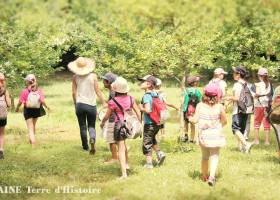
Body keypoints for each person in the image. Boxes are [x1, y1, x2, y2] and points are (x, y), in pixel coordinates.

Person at [100, 77, 141, 179]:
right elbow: (138, 111)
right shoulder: (131, 98)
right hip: (129, 125)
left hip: (119, 126)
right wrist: (139, 123)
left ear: (115, 89)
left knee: (121, 149)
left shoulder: (113, 102)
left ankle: (124, 174)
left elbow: (107, 116)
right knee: (124, 145)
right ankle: (126, 164)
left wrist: (102, 123)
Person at [189, 83, 227, 186]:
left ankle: (204, 175)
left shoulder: (200, 105)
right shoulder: (219, 106)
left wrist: (190, 118)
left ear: (205, 94)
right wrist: (217, 127)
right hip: (216, 135)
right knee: (214, 156)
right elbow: (224, 121)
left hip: (204, 136)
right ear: (216, 95)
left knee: (205, 156)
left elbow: (195, 120)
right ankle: (212, 177)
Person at [68, 57, 106, 154]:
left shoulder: (75, 77)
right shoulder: (93, 76)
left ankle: (85, 146)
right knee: (91, 126)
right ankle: (92, 139)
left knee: (82, 126)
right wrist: (104, 103)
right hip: (91, 105)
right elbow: (98, 91)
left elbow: (73, 93)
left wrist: (75, 104)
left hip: (80, 104)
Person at [138, 75, 166, 169]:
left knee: (147, 142)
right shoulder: (155, 94)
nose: (140, 83)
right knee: (152, 139)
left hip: (149, 123)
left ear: (148, 84)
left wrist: (141, 108)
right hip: (157, 123)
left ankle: (149, 164)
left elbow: (148, 110)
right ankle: (159, 153)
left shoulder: (146, 96)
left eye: (142, 81)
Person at [225, 66, 254, 153]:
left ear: (239, 74)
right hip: (246, 110)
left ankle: (246, 144)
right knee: (241, 129)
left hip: (238, 110)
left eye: (235, 73)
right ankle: (241, 148)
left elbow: (236, 98)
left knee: (235, 129)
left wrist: (228, 98)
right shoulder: (246, 84)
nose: (233, 74)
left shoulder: (237, 84)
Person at [15, 74, 49, 146]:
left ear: (27, 82)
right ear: (35, 80)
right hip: (37, 110)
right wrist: (47, 107)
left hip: (28, 110)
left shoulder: (25, 91)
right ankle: (31, 140)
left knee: (30, 128)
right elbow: (42, 101)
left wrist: (17, 108)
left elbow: (20, 102)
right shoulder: (38, 90)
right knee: (33, 126)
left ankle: (33, 144)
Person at [101, 72, 119, 164]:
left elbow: (111, 108)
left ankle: (114, 158)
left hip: (113, 118)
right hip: (118, 118)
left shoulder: (112, 93)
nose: (102, 82)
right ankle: (123, 150)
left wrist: (103, 120)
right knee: (117, 138)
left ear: (108, 82)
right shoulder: (114, 91)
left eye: (104, 80)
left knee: (111, 139)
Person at [253, 68, 273, 145]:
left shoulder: (258, 84)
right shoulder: (269, 84)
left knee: (257, 122)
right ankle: (267, 141)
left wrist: (255, 95)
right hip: (267, 105)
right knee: (266, 122)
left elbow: (257, 95)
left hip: (258, 105)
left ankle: (257, 140)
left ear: (259, 75)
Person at [181, 76, 202, 143]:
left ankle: (186, 136)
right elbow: (200, 100)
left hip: (186, 109)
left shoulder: (185, 91)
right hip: (194, 109)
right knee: (192, 124)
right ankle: (192, 139)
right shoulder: (197, 91)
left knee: (185, 123)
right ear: (194, 83)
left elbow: (182, 100)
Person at [0, 73, 11, 159]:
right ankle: (1, 150)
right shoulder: (5, 91)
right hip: (2, 115)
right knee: (1, 133)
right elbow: (9, 104)